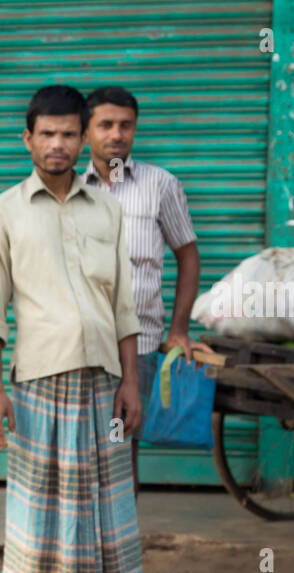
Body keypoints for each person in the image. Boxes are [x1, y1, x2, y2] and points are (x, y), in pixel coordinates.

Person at [0, 85, 216, 573]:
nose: (58, 145)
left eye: (68, 134)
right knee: (34, 507)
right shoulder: (2, 211)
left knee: (114, 508)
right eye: (46, 134)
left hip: (107, 382)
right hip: (36, 383)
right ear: (27, 139)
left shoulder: (107, 208)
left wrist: (132, 382)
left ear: (81, 139)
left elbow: (124, 312)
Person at [81, 86, 201, 491]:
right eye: (106, 125)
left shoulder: (161, 185)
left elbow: (188, 254)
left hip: (142, 341)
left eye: (125, 125)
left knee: (121, 444)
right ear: (86, 131)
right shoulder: (72, 191)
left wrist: (179, 330)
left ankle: (121, 542)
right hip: (82, 341)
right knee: (80, 448)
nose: (116, 134)